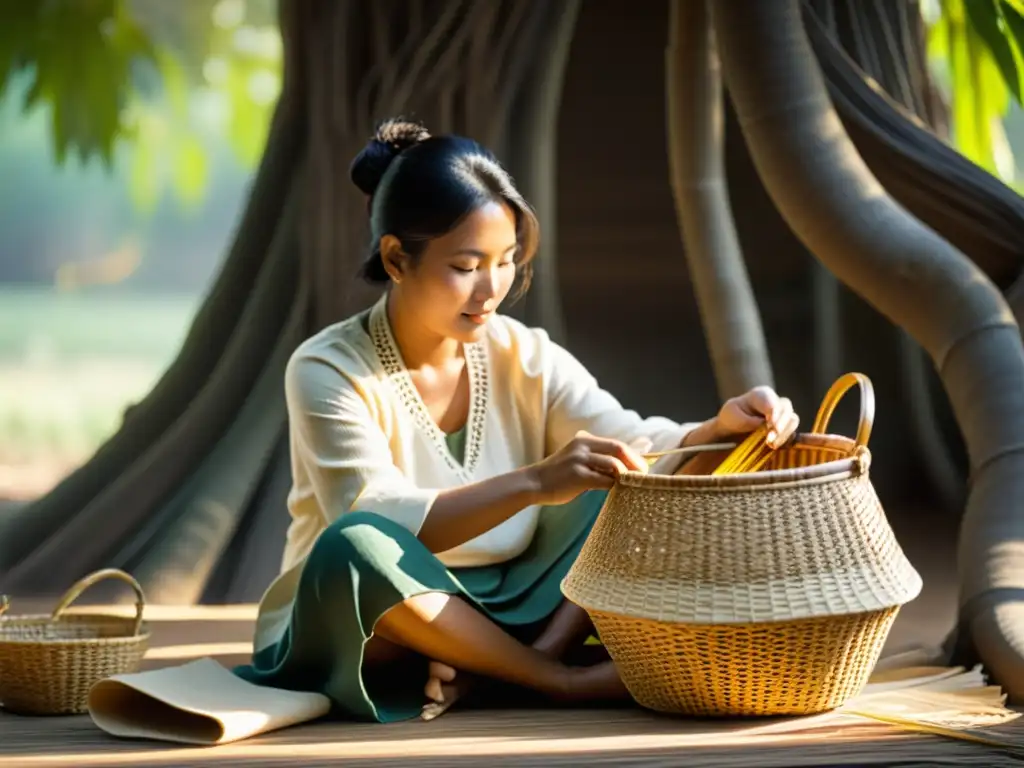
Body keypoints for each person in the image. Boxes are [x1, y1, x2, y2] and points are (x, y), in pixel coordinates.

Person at [233, 117, 800, 723]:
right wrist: (535, 482)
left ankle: (499, 667)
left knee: (625, 478)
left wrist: (713, 430)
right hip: (372, 619)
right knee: (354, 543)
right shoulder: (326, 367)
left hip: (507, 606)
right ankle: (552, 680)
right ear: (397, 259)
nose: (491, 289)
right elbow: (374, 515)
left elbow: (623, 432)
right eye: (466, 265)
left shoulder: (521, 351)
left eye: (504, 261)